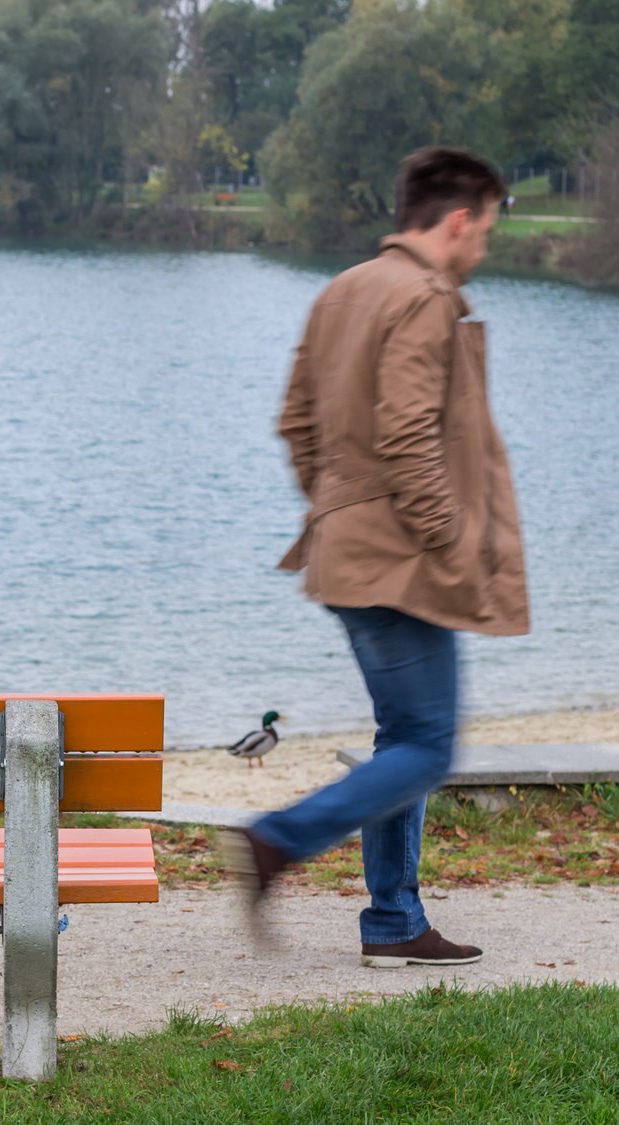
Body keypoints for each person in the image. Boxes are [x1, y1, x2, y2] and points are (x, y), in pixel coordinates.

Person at [225, 147, 529, 968]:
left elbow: (296, 422)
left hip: (344, 549)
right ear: (458, 219)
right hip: (398, 557)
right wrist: (447, 538)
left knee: (405, 736)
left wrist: (334, 506)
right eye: (487, 230)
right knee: (429, 746)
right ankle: (276, 841)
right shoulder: (424, 298)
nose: (485, 249)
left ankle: (395, 921)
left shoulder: (342, 288)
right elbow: (406, 437)